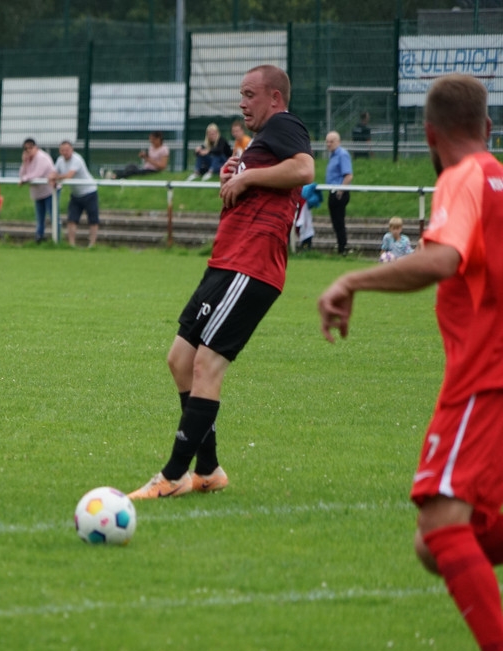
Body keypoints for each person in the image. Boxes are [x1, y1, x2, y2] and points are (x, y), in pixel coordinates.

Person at [318, 73, 503, 651]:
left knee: (440, 523)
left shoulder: (463, 177)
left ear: (429, 136)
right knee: (437, 544)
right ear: (488, 127)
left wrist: (352, 280)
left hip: (485, 378)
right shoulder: (499, 177)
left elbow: (444, 258)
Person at [128, 64, 313, 500]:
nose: (242, 103)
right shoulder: (262, 143)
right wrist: (234, 174)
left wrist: (246, 175)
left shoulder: (285, 125)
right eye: (241, 95)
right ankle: (208, 469)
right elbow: (256, 185)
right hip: (226, 262)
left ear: (275, 98)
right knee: (180, 359)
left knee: (206, 366)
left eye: (249, 94)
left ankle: (173, 475)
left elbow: (305, 169)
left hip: (251, 266)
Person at [50, 140, 100, 248]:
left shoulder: (77, 159)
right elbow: (54, 172)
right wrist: (52, 177)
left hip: (89, 192)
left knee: (93, 220)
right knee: (71, 219)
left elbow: (69, 176)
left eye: (67, 150)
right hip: (76, 194)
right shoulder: (60, 160)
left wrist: (56, 177)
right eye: (62, 150)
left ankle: (92, 245)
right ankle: (71, 245)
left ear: (72, 150)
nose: (65, 152)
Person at [18, 138, 56, 243]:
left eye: (31, 148)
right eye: (26, 149)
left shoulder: (42, 157)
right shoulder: (28, 160)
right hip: (38, 193)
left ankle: (57, 239)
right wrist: (24, 162)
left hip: (50, 191)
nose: (28, 151)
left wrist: (24, 180)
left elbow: (37, 174)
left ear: (36, 147)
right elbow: (21, 174)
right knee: (40, 218)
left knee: (53, 216)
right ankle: (39, 238)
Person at [325, 131, 353, 255]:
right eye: (327, 142)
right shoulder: (333, 156)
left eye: (331, 142)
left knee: (339, 221)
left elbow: (348, 175)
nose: (328, 144)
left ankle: (342, 247)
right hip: (332, 191)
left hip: (339, 192)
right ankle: (341, 245)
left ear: (338, 142)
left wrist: (341, 190)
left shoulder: (342, 154)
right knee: (335, 221)